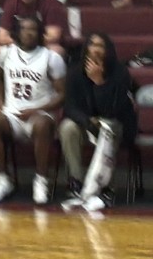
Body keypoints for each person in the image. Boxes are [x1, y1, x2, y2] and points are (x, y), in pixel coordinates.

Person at [0, 14, 68, 204]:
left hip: (40, 115)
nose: (29, 33)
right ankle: (1, 180)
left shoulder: (52, 58)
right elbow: (0, 76)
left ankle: (41, 180)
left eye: (33, 29)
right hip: (12, 114)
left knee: (41, 124)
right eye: (24, 28)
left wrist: (35, 110)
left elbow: (61, 95)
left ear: (40, 33)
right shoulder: (5, 54)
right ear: (16, 32)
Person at [59, 31, 137, 213]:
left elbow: (114, 111)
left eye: (100, 45)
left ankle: (104, 188)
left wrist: (99, 82)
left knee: (109, 128)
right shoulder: (75, 71)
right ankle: (77, 184)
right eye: (92, 44)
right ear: (86, 48)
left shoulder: (120, 73)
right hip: (87, 123)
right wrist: (87, 121)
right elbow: (69, 107)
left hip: (117, 124)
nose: (95, 49)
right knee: (67, 127)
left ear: (107, 50)